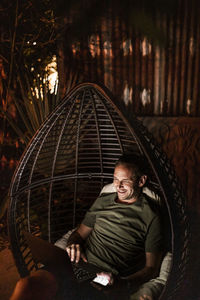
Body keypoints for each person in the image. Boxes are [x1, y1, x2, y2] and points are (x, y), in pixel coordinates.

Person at [10, 154, 164, 300]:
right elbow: (79, 233)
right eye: (116, 179)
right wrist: (72, 244)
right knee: (26, 285)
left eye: (125, 181)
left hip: (105, 277)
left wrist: (123, 283)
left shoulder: (151, 216)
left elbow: (151, 268)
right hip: (76, 265)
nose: (118, 186)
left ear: (141, 181)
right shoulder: (104, 200)